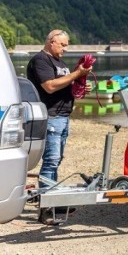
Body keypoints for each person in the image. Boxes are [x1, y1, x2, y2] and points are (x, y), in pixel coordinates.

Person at [26, 29, 92, 224]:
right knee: (51, 160)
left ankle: (52, 200)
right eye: (62, 44)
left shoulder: (59, 62)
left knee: (56, 160)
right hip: (51, 115)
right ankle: (46, 209)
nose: (66, 48)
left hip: (63, 116)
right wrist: (77, 73)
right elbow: (50, 86)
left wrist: (79, 85)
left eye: (67, 44)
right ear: (51, 42)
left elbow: (63, 84)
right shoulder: (41, 60)